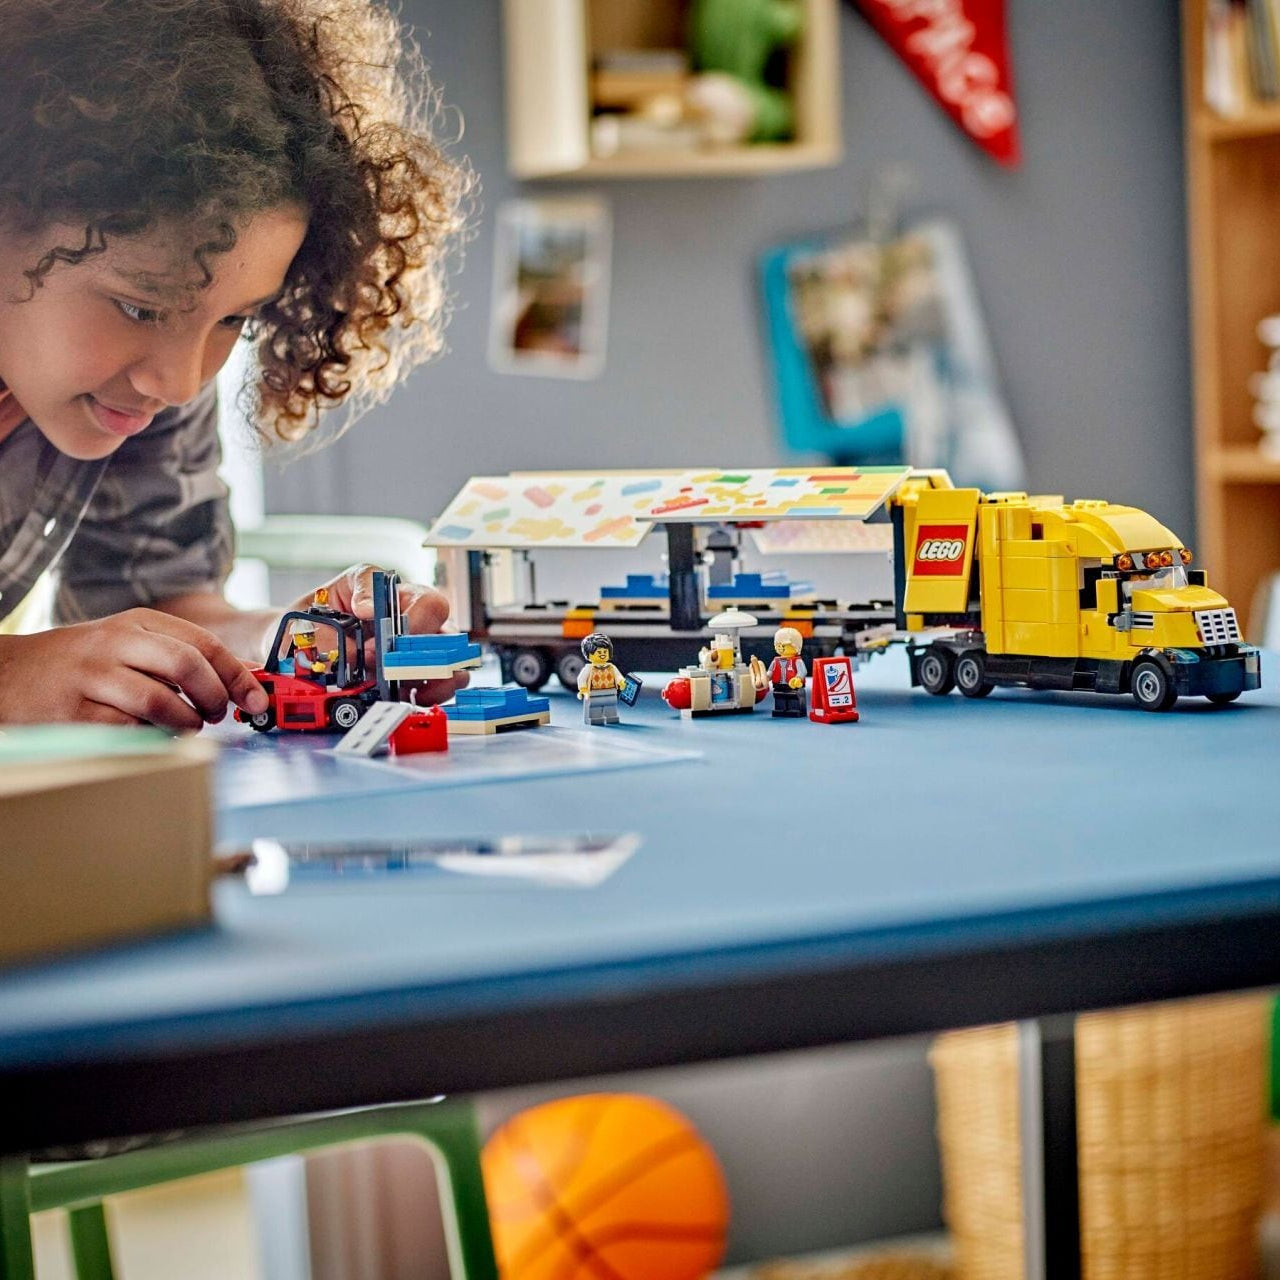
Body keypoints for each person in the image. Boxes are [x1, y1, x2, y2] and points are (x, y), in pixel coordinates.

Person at [0, 0, 473, 728]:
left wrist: (300, 647)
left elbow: (160, 601)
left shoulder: (131, 387)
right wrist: (14, 676)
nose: (181, 382)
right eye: (140, 307)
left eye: (232, 319)